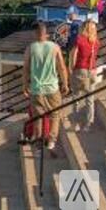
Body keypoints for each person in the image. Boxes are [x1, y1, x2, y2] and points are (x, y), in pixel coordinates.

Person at [23, 22, 69, 151]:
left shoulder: (30, 48)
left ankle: (38, 145)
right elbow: (61, 67)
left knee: (38, 117)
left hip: (36, 89)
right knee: (55, 115)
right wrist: (65, 83)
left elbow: (26, 69)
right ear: (46, 34)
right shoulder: (55, 47)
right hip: (52, 88)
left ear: (35, 33)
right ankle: (51, 141)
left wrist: (25, 85)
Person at [68, 20, 99, 131]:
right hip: (92, 71)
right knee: (90, 99)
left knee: (76, 98)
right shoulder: (96, 42)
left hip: (80, 70)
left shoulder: (79, 40)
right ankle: (88, 124)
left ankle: (75, 124)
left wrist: (71, 68)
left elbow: (74, 54)